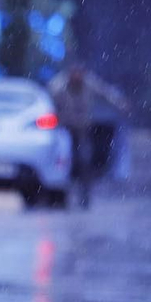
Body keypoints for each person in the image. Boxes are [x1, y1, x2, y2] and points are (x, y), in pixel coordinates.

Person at [48, 64, 129, 209]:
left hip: (83, 129)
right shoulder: (58, 87)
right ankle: (60, 196)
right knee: (63, 163)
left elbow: (106, 93)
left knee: (85, 161)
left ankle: (84, 196)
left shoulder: (89, 84)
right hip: (64, 130)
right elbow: (49, 101)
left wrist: (120, 103)